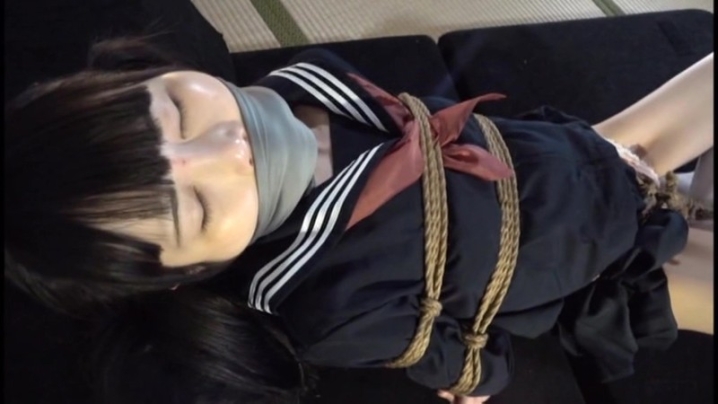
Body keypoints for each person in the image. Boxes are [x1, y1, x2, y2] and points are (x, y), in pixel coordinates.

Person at [4, 37, 713, 404]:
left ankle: (669, 189)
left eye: (177, 110)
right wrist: (479, 379)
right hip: (601, 265)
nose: (227, 147)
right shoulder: (328, 300)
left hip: (579, 151)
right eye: (194, 206)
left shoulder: (303, 84)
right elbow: (444, 348)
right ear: (184, 273)